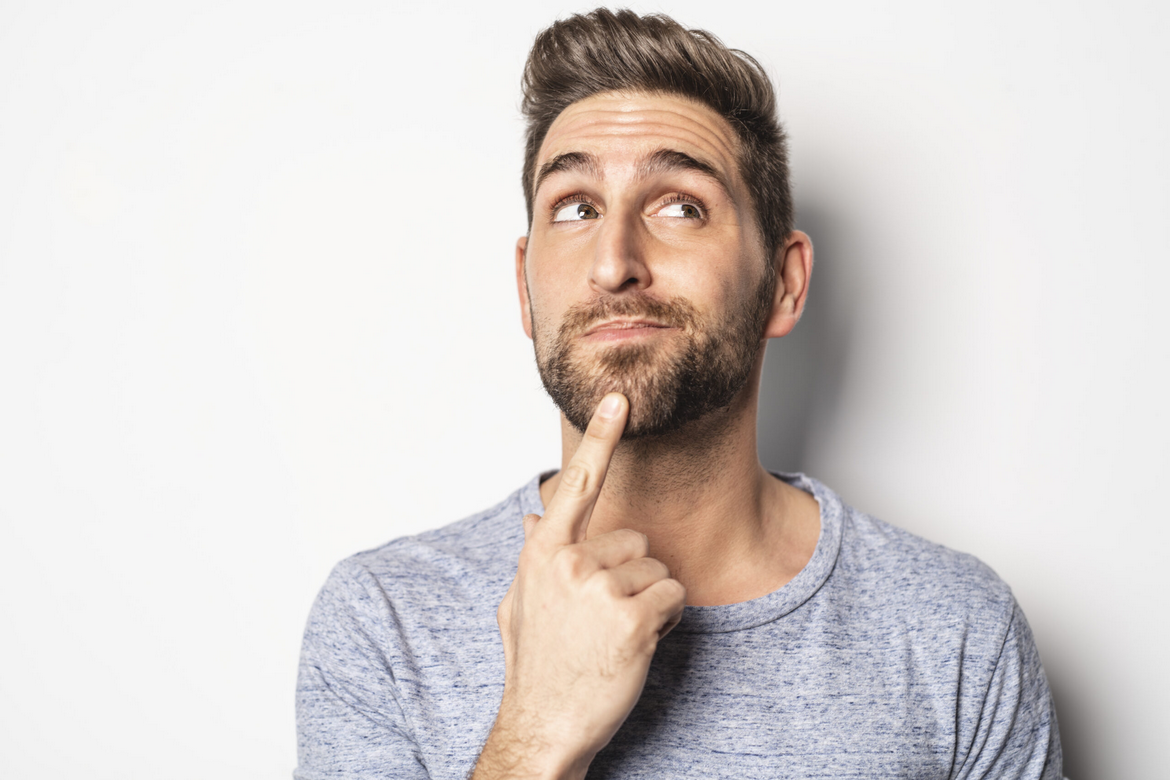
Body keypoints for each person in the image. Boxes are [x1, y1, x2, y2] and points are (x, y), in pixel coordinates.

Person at [295, 9, 1063, 779]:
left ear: (784, 283)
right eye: (576, 208)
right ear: (525, 291)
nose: (614, 263)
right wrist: (537, 732)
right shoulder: (385, 622)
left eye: (680, 206)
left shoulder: (957, 633)